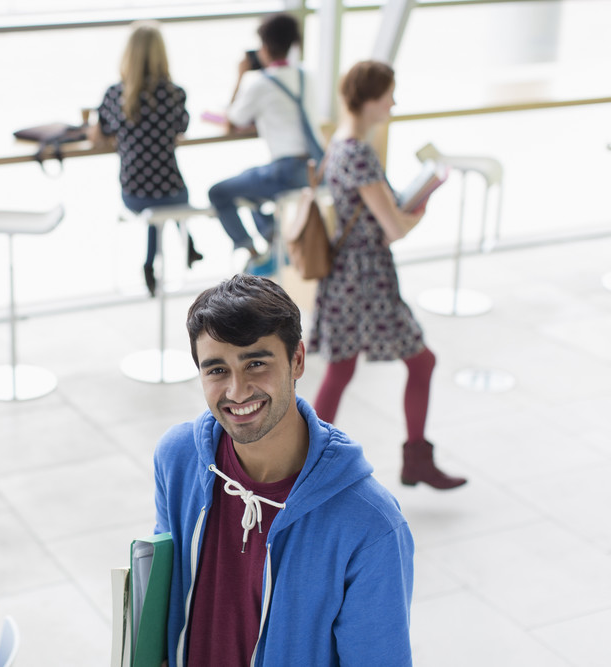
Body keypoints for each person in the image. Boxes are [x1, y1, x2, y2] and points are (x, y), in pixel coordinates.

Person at [154, 275, 413, 666]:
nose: (238, 391)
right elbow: (161, 598)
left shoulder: (370, 524)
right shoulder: (178, 459)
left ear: (297, 360)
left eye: (256, 363)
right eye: (217, 370)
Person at [307, 60, 467, 490]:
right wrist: (419, 210)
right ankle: (414, 459)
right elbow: (392, 228)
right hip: (367, 280)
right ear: (371, 99)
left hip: (347, 277)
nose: (393, 103)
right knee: (421, 361)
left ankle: (306, 468)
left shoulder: (340, 144)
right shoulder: (359, 151)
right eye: (388, 95)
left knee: (340, 373)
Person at [208, 13, 326, 276]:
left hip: (284, 172)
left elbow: (233, 119)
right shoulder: (308, 76)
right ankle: (273, 240)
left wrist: (240, 76)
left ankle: (254, 252)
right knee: (252, 187)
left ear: (265, 47)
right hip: (314, 170)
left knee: (218, 192)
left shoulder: (260, 84)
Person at [90, 21, 202, 298]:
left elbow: (99, 133)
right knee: (172, 194)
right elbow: (181, 128)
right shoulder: (175, 93)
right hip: (172, 192)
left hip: (134, 193)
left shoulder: (116, 95)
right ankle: (186, 243)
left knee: (153, 207)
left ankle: (150, 263)